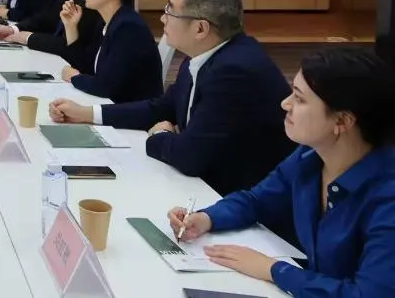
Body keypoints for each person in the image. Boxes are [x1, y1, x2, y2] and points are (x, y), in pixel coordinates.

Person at [168, 48, 395, 297]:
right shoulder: (311, 155)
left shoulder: (387, 195)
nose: (285, 104)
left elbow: (369, 294)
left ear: (342, 121)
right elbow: (257, 201)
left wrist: (274, 269)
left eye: (299, 99)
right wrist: (206, 218)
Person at [49, 0, 295, 196]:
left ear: (200, 29)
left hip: (238, 202)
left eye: (170, 10)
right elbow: (161, 107)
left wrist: (159, 135)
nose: (163, 18)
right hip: (202, 188)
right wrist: (87, 113)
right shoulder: (202, 56)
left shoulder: (234, 71)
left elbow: (190, 156)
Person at [52, 0, 161, 102]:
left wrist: (74, 77)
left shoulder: (129, 28)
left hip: (126, 112)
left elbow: (106, 87)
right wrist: (71, 26)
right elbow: (85, 66)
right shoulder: (108, 21)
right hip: (108, 105)